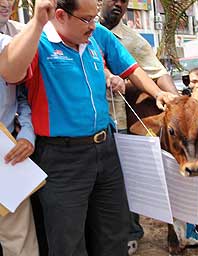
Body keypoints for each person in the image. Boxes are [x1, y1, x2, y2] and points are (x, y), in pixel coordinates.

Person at [0, 0, 175, 255]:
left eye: (94, 17)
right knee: (68, 241)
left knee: (113, 233)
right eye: (86, 19)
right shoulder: (37, 42)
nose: (94, 25)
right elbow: (12, 74)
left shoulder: (98, 36)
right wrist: (37, 21)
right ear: (60, 15)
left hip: (105, 149)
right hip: (61, 159)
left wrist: (157, 92)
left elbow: (130, 67)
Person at [97, 0, 179, 254]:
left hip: (121, 121)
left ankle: (131, 232)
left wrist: (175, 100)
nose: (119, 4)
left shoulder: (131, 40)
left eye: (124, 1)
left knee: (125, 181)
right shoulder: (79, 32)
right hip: (86, 122)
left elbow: (154, 71)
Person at [0, 34, 39, 256]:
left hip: (8, 157)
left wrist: (27, 133)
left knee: (19, 243)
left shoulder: (10, 45)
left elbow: (24, 97)